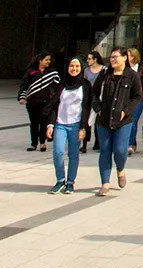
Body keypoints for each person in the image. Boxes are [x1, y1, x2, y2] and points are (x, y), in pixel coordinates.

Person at [90, 48, 142, 196]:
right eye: (111, 57)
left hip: (123, 121)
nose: (112, 59)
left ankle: (120, 169)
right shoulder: (104, 74)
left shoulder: (132, 76)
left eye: (115, 57)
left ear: (125, 58)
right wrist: (97, 108)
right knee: (105, 151)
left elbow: (137, 96)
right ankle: (105, 183)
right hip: (104, 120)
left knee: (119, 150)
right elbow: (93, 93)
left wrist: (126, 110)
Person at [46, 56, 92, 194]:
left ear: (81, 68)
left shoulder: (85, 85)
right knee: (58, 152)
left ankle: (70, 182)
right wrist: (50, 124)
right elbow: (54, 105)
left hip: (76, 124)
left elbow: (86, 107)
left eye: (77, 66)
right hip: (60, 123)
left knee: (73, 154)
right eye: (72, 66)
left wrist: (83, 127)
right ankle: (60, 180)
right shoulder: (61, 84)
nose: (74, 69)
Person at [18, 53, 59, 152]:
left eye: (49, 60)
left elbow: (58, 87)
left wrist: (56, 99)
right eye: (46, 60)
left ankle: (42, 143)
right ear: (40, 60)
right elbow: (24, 85)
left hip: (46, 102)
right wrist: (22, 97)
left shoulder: (52, 73)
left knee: (44, 122)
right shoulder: (31, 72)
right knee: (34, 123)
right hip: (32, 102)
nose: (48, 62)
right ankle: (33, 144)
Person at [126, 46, 143, 155]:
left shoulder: (140, 69)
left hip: (138, 98)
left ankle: (130, 144)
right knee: (127, 121)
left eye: (130, 55)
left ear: (134, 57)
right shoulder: (124, 68)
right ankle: (132, 142)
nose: (127, 57)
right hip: (126, 98)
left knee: (133, 121)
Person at [79, 50, 103, 154]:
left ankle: (98, 143)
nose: (87, 61)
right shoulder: (86, 71)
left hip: (99, 98)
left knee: (98, 120)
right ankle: (84, 143)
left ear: (95, 59)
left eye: (89, 59)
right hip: (88, 97)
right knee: (86, 120)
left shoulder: (104, 70)